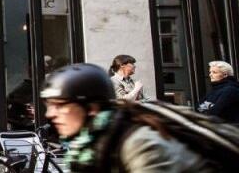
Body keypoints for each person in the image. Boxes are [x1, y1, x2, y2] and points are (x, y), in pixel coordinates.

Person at [41, 63, 215, 172]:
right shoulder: (90, 145)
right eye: (49, 105)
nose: (50, 114)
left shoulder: (139, 145)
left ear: (91, 108)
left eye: (60, 105)